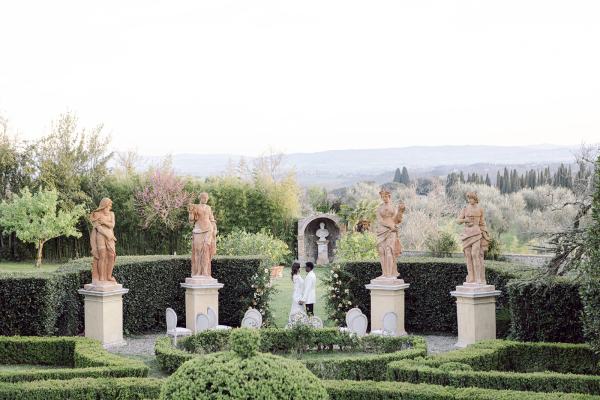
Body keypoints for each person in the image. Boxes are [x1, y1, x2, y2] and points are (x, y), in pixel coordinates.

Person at [456, 191, 490, 284]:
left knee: (475, 254)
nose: (470, 200)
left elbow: (482, 223)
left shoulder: (480, 209)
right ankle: (471, 277)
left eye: (471, 198)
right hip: (466, 234)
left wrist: (486, 235)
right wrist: (465, 220)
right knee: (468, 256)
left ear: (475, 199)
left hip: (476, 233)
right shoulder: (465, 209)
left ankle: (478, 278)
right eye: (469, 198)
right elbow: (458, 221)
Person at [375, 188, 406, 278]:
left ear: (389, 196)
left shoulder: (393, 207)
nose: (384, 198)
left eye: (385, 196)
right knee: (381, 251)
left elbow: (397, 220)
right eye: (382, 196)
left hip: (392, 231)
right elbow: (379, 220)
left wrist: (401, 211)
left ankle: (389, 274)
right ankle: (384, 273)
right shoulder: (379, 208)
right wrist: (389, 226)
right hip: (382, 230)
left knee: (389, 250)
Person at [188, 192, 217, 277]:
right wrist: (190, 212)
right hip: (198, 230)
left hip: (208, 230)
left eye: (206, 198)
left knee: (206, 252)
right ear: (200, 198)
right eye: (204, 197)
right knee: (197, 251)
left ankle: (205, 272)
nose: (205, 199)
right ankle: (197, 272)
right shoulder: (195, 207)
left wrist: (215, 229)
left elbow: (212, 219)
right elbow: (191, 220)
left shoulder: (208, 208)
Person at [90, 198, 117, 284]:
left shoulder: (112, 214)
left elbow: (112, 225)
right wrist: (107, 234)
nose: (110, 207)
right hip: (101, 236)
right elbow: (98, 228)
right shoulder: (97, 214)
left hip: (110, 236)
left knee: (112, 255)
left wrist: (104, 222)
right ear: (105, 205)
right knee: (102, 256)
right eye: (109, 205)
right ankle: (101, 277)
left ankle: (108, 276)